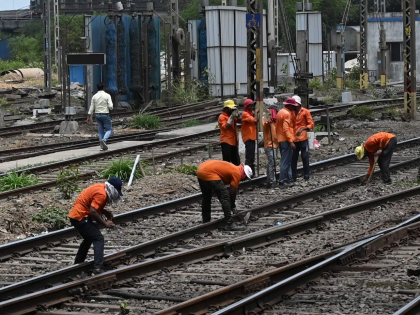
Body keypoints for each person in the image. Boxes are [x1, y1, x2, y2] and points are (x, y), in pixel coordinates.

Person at [68, 177, 123, 274]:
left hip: (75, 216)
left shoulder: (100, 187)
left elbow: (92, 206)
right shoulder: (102, 194)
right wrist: (105, 223)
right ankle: (98, 267)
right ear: (113, 189)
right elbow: (93, 212)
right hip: (80, 217)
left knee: (89, 238)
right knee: (98, 238)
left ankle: (78, 263)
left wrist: (105, 212)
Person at [196, 160, 252, 231]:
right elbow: (232, 192)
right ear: (244, 174)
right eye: (245, 178)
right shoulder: (237, 173)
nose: (243, 180)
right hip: (209, 172)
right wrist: (232, 206)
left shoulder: (234, 168)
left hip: (200, 170)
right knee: (225, 196)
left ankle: (206, 221)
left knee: (206, 197)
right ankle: (230, 223)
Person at [276, 97, 298, 186]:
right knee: (285, 161)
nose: (294, 108)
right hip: (285, 140)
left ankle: (288, 178)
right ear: (289, 105)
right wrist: (291, 141)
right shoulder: (287, 114)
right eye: (293, 106)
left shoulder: (280, 112)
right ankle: (282, 180)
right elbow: (286, 129)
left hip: (280, 139)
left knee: (286, 160)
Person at [291, 95, 314, 181]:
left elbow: (311, 124)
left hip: (303, 138)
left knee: (305, 157)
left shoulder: (305, 112)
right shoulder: (291, 112)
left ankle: (306, 175)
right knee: (294, 158)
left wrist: (303, 129)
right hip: (294, 138)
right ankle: (293, 176)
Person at [87, 82, 114, 151]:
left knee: (100, 131)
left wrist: (89, 116)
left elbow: (91, 107)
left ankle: (102, 146)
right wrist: (108, 107)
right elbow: (110, 107)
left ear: (97, 88)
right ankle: (104, 140)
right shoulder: (107, 95)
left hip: (97, 115)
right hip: (105, 114)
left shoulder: (94, 96)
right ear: (103, 88)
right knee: (109, 129)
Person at [218, 100, 240, 165]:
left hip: (234, 142)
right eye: (231, 108)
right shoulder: (222, 117)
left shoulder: (230, 115)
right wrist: (232, 117)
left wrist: (238, 116)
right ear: (226, 108)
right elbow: (226, 127)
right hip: (226, 142)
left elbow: (241, 121)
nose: (232, 110)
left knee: (236, 162)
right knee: (227, 162)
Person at [262, 104, 279, 187]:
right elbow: (265, 124)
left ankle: (271, 179)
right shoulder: (266, 119)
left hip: (275, 144)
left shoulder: (275, 121)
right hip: (269, 144)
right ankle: (271, 181)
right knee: (272, 161)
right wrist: (268, 116)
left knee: (274, 162)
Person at [242, 99, 258, 175]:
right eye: (250, 106)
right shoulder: (245, 114)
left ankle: (251, 173)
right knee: (249, 158)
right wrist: (256, 113)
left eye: (252, 105)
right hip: (248, 138)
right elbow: (255, 120)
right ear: (246, 106)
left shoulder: (250, 114)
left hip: (252, 138)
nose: (252, 107)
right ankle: (247, 173)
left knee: (251, 157)